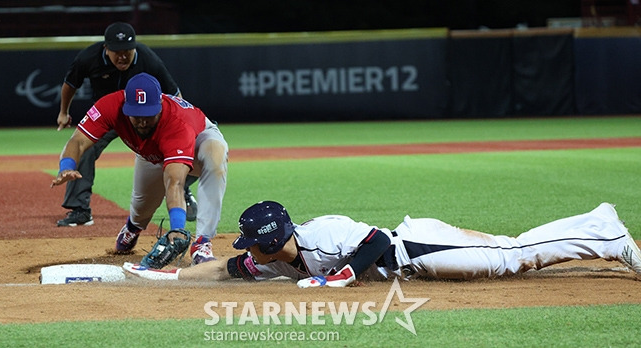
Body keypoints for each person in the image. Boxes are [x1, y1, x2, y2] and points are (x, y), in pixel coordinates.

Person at [123, 201, 641, 287]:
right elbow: (223, 270)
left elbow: (372, 242)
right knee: (514, 254)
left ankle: (609, 234)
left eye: (249, 244)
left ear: (271, 241)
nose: (245, 252)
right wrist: (168, 277)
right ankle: (597, 225)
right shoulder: (271, 261)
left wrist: (338, 276)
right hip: (416, 261)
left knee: (513, 257)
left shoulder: (319, 232)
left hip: (417, 248)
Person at [51, 72, 228, 265]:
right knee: (142, 207)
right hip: (151, 152)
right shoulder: (110, 106)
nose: (143, 121)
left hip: (197, 141)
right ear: (126, 107)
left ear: (160, 106)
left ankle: (202, 242)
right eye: (137, 115)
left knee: (215, 160)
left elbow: (175, 182)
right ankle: (133, 227)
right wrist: (66, 166)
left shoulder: (177, 123)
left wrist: (177, 228)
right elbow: (78, 140)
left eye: (149, 115)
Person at [55, 21, 198, 227]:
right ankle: (80, 210)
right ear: (106, 48)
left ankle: (181, 185)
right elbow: (70, 84)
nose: (122, 56)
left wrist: (180, 127)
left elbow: (175, 96)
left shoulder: (148, 58)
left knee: (185, 148)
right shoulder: (89, 57)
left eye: (127, 51)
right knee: (84, 148)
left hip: (144, 118)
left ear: (134, 47)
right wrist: (63, 112)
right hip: (108, 117)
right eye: (116, 51)